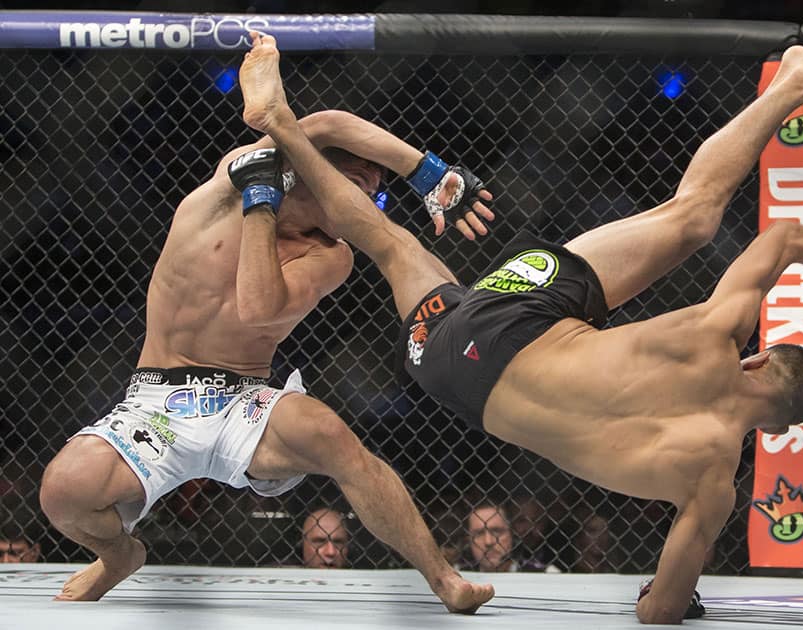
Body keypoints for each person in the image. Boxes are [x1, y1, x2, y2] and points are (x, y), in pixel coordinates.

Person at [239, 33, 803, 624]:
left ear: (756, 363)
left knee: (692, 217)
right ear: (776, 431)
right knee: (390, 245)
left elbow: (781, 237)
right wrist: (668, 591)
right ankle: (291, 134)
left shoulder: (717, 337)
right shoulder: (712, 483)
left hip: (528, 312)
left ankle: (794, 81)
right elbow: (659, 612)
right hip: (456, 368)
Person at [37, 94, 495, 612]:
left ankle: (442, 579)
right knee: (64, 490)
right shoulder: (226, 188)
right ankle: (119, 556)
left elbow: (258, 310)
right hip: (156, 399)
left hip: (243, 399)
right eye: (361, 190)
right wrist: (423, 170)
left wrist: (264, 202)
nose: (367, 210)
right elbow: (325, 123)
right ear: (315, 174)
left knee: (331, 435)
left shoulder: (330, 255)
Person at [462, 503, 559, 573]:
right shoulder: (459, 575)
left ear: (512, 534)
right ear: (468, 539)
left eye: (497, 532)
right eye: (479, 534)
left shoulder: (546, 574)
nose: (488, 542)